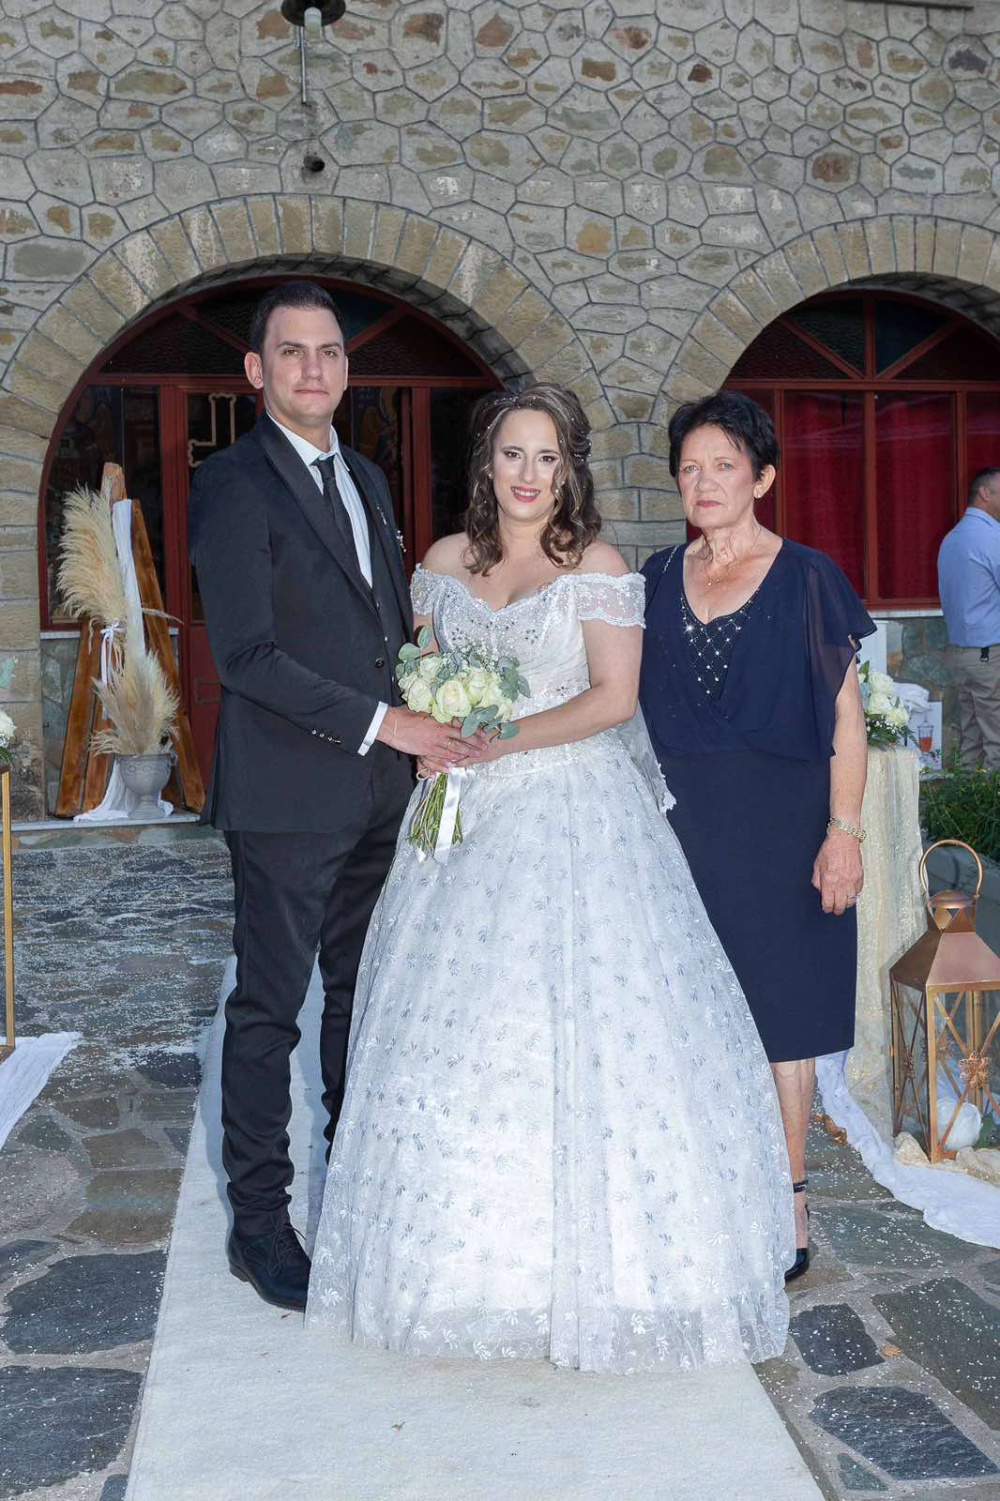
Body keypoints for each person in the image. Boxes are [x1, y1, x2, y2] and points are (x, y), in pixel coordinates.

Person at [306, 383, 794, 1373]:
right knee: (455, 1020)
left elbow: (613, 699)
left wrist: (499, 739)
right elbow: (419, 677)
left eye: (546, 457)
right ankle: (456, 1266)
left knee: (583, 1016)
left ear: (569, 469)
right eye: (511, 455)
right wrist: (439, 739)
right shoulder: (442, 564)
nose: (527, 475)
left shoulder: (598, 568)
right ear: (486, 464)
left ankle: (616, 1267)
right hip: (459, 822)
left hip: (571, 811)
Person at [189, 282, 486, 1313]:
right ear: (256, 370)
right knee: (269, 1011)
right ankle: (260, 1224)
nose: (312, 368)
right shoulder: (232, 483)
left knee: (365, 1001)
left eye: (328, 352)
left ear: (347, 370)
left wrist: (434, 703)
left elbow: (380, 629)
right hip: (283, 797)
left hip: (378, 795)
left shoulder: (365, 476)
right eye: (291, 351)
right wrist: (385, 722)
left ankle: (355, 1198)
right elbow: (246, 655)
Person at [639, 390, 873, 1283]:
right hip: (679, 833)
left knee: (783, 1019)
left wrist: (843, 833)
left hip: (786, 832)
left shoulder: (809, 577)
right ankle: (703, 1189)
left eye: (724, 466)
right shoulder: (655, 577)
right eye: (689, 468)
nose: (704, 483)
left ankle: (789, 1194)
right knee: (687, 1012)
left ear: (763, 478)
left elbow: (847, 720)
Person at [938, 467, 1000, 771]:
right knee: (997, 742)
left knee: (971, 741)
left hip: (962, 655)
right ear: (984, 493)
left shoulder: (952, 538)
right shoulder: (992, 538)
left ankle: (967, 799)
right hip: (989, 655)